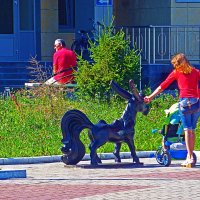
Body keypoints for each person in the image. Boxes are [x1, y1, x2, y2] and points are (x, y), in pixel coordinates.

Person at [144, 53, 200, 167]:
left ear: (178, 64)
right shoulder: (196, 72)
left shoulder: (176, 73)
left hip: (184, 103)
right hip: (196, 103)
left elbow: (162, 86)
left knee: (187, 130)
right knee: (192, 130)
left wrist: (150, 97)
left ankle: (189, 157)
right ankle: (190, 157)